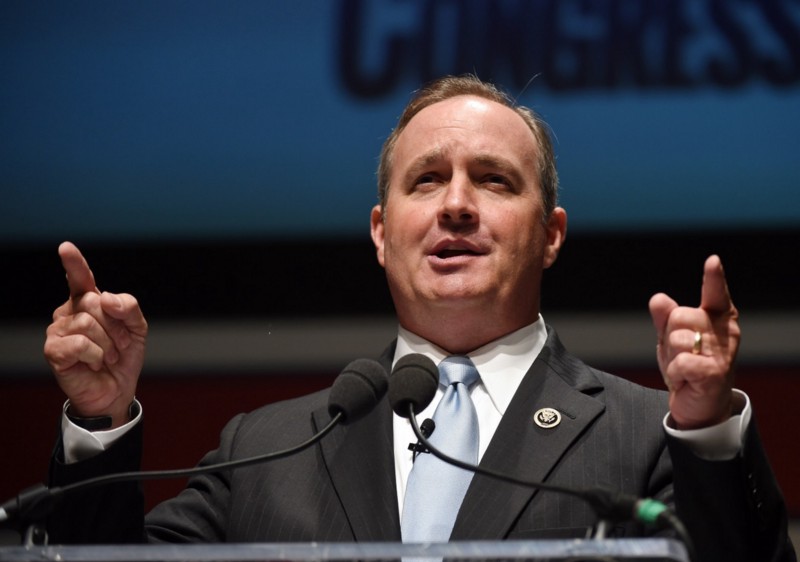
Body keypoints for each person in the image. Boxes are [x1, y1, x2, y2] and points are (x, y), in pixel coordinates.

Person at [42, 75, 794, 561]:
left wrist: (706, 431)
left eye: (494, 181)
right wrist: (100, 421)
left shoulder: (644, 439)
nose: (457, 204)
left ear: (552, 235)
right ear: (381, 231)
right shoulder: (266, 450)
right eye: (427, 180)